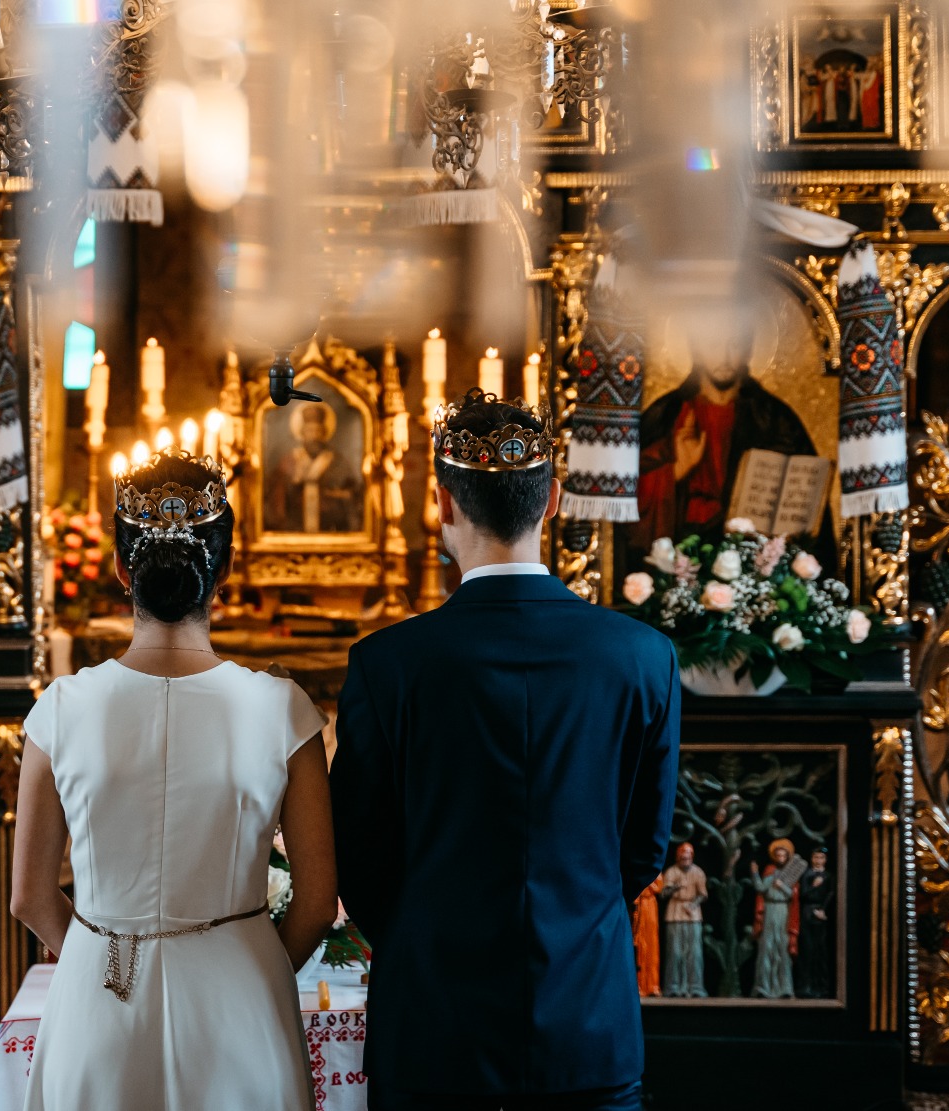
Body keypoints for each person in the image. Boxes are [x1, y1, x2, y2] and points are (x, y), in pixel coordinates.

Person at [333, 391, 680, 1111]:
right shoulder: (643, 657)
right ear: (552, 501)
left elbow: (358, 852)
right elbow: (645, 846)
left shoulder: (387, 663)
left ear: (442, 504)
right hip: (586, 1019)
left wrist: (426, 933)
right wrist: (573, 915)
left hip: (432, 1027)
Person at [10, 452, 337, 1111]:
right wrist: (252, 965)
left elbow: (29, 896)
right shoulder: (283, 708)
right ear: (227, 568)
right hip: (241, 999)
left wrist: (97, 954)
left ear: (120, 567)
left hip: (98, 997)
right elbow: (317, 901)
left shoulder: (61, 708)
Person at [633, 319, 823, 562]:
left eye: (734, 345)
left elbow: (809, 502)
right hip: (683, 552)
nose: (724, 356)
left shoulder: (774, 419)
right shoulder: (667, 415)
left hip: (751, 557)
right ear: (696, 349)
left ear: (748, 350)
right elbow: (625, 496)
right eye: (713, 345)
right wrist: (676, 470)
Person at [263, 399, 361, 532]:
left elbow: (351, 492)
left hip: (330, 528)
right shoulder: (289, 460)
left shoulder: (337, 461)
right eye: (309, 430)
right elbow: (276, 496)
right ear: (302, 433)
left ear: (324, 433)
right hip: (294, 528)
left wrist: (335, 494)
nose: (314, 436)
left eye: (318, 431)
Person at [752, 839, 800, 1000]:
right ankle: (763, 987)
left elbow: (793, 895)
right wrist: (755, 873)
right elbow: (760, 888)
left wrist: (782, 886)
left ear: (787, 857)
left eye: (783, 855)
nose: (780, 858)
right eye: (778, 855)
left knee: (782, 948)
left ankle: (785, 987)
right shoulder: (770, 871)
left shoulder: (791, 873)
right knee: (767, 947)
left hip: (783, 911)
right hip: (770, 910)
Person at [659, 841, 708, 998]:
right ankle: (673, 986)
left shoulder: (698, 872)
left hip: (693, 914)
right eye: (682, 855)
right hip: (675, 911)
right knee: (674, 952)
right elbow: (663, 893)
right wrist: (674, 887)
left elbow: (703, 894)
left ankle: (695, 986)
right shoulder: (671, 871)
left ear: (691, 856)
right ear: (678, 856)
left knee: (694, 952)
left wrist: (693, 905)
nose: (685, 857)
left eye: (687, 855)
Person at [795, 847, 834, 999]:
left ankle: (821, 986)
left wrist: (823, 910)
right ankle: (805, 986)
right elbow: (803, 894)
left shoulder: (828, 876)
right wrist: (814, 887)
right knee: (807, 949)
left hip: (820, 913)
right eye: (816, 857)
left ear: (825, 860)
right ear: (812, 859)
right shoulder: (807, 875)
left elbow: (831, 893)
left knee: (820, 950)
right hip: (807, 912)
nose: (818, 861)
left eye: (821, 858)